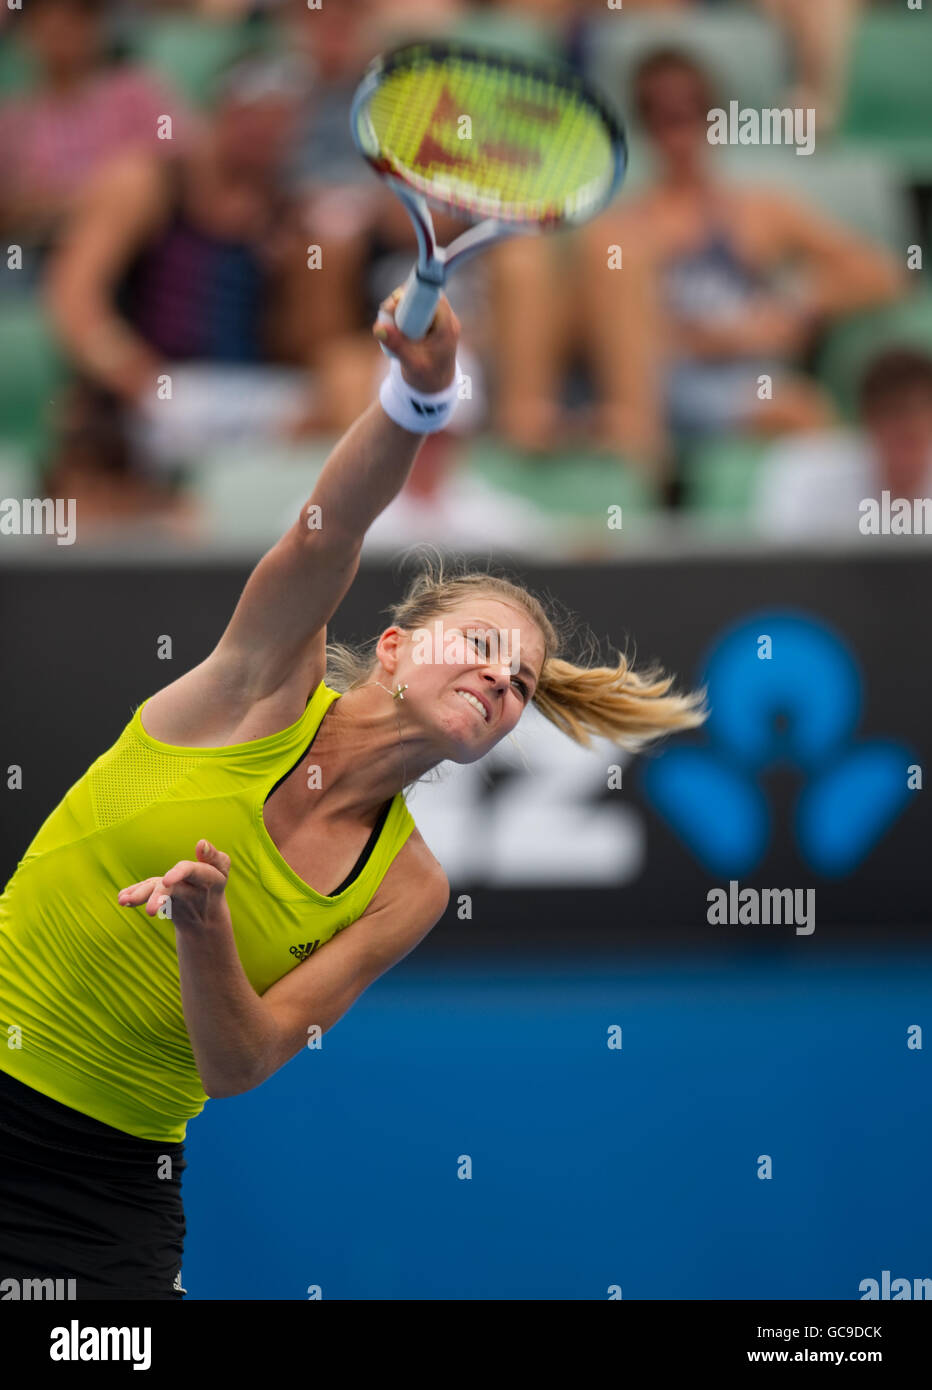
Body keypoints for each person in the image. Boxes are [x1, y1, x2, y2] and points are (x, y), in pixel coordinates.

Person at [0, 288, 706, 1300]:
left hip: (103, 1187)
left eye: (518, 686)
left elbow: (240, 1063)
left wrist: (204, 928)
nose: (502, 682)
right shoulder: (254, 689)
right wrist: (417, 401)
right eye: (483, 648)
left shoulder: (408, 888)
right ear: (391, 647)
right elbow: (325, 536)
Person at [753, 346, 932, 539]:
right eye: (894, 417)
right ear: (867, 420)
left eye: (915, 433)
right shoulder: (806, 474)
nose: (907, 428)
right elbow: (778, 560)